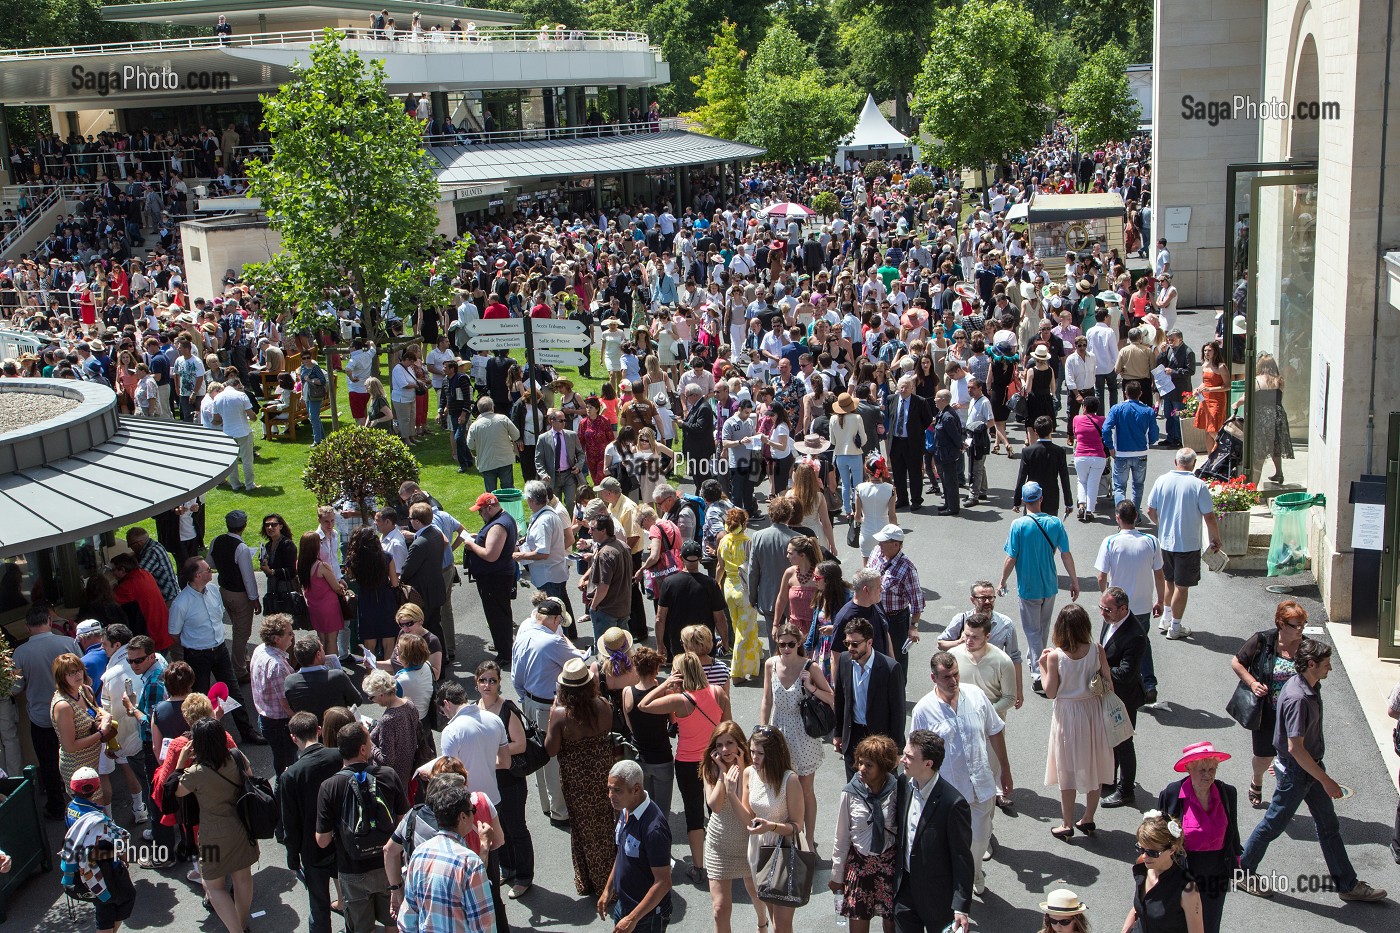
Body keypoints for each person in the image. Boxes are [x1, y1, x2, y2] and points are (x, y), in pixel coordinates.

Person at [1237, 638, 1388, 902]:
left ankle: (1347, 884)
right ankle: (1243, 871)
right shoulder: (1298, 698)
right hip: (1300, 772)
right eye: (1326, 664)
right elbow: (1296, 748)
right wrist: (1326, 780)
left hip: (1307, 768)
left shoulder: (1308, 685)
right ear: (1310, 664)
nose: (1330, 668)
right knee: (1273, 824)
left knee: (1328, 825)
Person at [910, 652, 1010, 894]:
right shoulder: (923, 710)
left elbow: (995, 730)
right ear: (934, 677)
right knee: (952, 844)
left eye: (955, 674)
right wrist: (919, 790)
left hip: (982, 785)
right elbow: (916, 753)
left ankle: (973, 872)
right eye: (946, 677)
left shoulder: (976, 696)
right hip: (950, 793)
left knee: (979, 839)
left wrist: (1005, 770)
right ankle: (961, 880)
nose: (953, 681)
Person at [637, 652, 731, 880]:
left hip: (688, 763)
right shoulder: (718, 693)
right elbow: (728, 728)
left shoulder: (680, 700)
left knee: (694, 813)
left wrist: (665, 686)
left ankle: (698, 867)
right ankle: (724, 861)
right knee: (718, 810)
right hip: (714, 760)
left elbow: (643, 704)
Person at [314, 722, 411, 931]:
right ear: (363, 749)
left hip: (352, 870)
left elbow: (322, 841)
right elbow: (404, 821)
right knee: (393, 921)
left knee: (360, 928)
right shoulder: (387, 775)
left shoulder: (329, 786)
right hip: (388, 866)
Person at [174, 718, 260, 933]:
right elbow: (250, 778)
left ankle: (235, 931)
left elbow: (176, 791)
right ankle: (241, 924)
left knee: (213, 886)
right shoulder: (237, 757)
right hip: (242, 830)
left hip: (212, 837)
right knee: (243, 877)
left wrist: (180, 762)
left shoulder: (195, 773)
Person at [166, 557, 262, 742]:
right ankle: (205, 738)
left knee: (233, 692)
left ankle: (247, 732)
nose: (212, 572)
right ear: (198, 575)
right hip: (197, 655)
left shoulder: (213, 591)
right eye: (208, 570)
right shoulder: (181, 603)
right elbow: (174, 634)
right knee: (201, 698)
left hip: (219, 650)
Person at [543, 658, 616, 898]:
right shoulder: (604, 705)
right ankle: (611, 878)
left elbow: (551, 749)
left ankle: (591, 880)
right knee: (605, 826)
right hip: (603, 774)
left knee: (583, 828)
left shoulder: (561, 715)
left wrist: (553, 713)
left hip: (576, 781)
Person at [998, 482, 1079, 694]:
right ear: (1041, 499)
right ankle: (1038, 658)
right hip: (1050, 586)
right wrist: (1074, 580)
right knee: (1041, 628)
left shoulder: (1018, 525)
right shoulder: (1054, 523)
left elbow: (1011, 557)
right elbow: (1066, 554)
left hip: (1028, 587)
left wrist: (1002, 581)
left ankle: (1037, 673)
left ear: (1024, 501)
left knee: (1033, 632)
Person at [758, 621, 833, 848]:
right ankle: (786, 834)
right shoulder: (771, 664)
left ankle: (808, 840)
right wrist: (763, 730)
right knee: (779, 786)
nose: (787, 648)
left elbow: (831, 698)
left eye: (791, 644)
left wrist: (810, 687)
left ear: (799, 643)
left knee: (805, 790)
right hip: (778, 732)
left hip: (803, 735)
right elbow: (767, 700)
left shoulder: (811, 668)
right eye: (782, 644)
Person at [1156, 741, 1243, 933]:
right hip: (1183, 869)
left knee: (1210, 924)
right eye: (1202, 770)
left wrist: (1236, 863)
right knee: (1181, 923)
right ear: (1189, 768)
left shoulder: (1227, 793)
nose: (1208, 774)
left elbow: (1232, 831)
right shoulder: (1172, 793)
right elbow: (1159, 835)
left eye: (1212, 769)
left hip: (1216, 872)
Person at [893, 730, 973, 933]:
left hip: (938, 899)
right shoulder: (904, 784)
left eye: (910, 757)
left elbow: (962, 857)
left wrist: (960, 907)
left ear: (928, 764)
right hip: (905, 892)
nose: (903, 760)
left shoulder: (953, 804)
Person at [1230, 600, 1305, 810]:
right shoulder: (1263, 640)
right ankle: (1257, 778)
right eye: (1295, 625)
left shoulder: (1306, 646)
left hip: (1294, 713)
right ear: (1281, 624)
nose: (1300, 629)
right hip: (1267, 711)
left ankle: (1283, 798)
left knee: (1294, 755)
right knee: (1264, 756)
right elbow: (1237, 662)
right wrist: (1253, 683)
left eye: (1303, 624)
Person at [398, 777, 499, 933]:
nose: (474, 814)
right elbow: (484, 926)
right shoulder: (470, 863)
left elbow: (408, 917)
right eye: (473, 811)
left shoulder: (420, 853)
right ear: (462, 817)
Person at [1146, 449, 1222, 641]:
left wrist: (1161, 525)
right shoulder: (1198, 485)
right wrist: (1216, 537)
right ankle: (1175, 627)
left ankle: (1166, 618)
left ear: (1175, 461)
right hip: (1188, 544)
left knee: (1169, 581)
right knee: (1182, 586)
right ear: (1194, 463)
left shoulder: (1162, 480)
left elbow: (1150, 509)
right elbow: (1209, 516)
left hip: (1166, 542)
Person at [11, 607, 80, 819]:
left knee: (48, 764)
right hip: (71, 712)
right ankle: (82, 801)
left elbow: (15, 688)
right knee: (76, 758)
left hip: (41, 717)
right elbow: (82, 674)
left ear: (27, 627)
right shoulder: (68, 643)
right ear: (49, 622)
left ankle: (57, 806)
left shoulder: (20, 653)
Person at [1096, 500, 1166, 705]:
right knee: (1141, 643)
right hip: (1143, 605)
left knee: (1110, 644)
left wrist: (1105, 600)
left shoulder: (1110, 542)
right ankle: (1149, 685)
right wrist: (1160, 600)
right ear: (1136, 517)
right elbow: (1159, 574)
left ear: (1118, 518)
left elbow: (1101, 576)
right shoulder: (1151, 541)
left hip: (1116, 607)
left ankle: (1112, 683)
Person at [280, 711, 344, 933]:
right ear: (318, 730)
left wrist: (292, 856)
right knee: (352, 896)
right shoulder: (338, 756)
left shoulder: (291, 775)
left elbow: (290, 822)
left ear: (292, 737)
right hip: (342, 841)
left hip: (312, 849)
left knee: (319, 906)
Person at [831, 733, 899, 933]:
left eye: (869, 765)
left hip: (889, 866)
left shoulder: (897, 790)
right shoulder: (850, 793)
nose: (861, 769)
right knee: (858, 925)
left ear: (883, 766)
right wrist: (837, 875)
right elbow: (841, 837)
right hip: (860, 867)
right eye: (860, 763)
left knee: (891, 924)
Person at [699, 720, 762, 933]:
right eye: (718, 745)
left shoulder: (752, 770)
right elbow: (715, 806)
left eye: (729, 743)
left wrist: (742, 769)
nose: (724, 749)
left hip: (748, 844)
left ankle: (762, 923)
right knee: (719, 909)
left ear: (739, 745)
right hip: (719, 845)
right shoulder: (710, 769)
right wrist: (722, 775)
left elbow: (748, 813)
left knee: (756, 894)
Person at [599, 759, 674, 933]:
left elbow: (663, 882)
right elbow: (622, 853)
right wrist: (608, 890)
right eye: (609, 789)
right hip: (624, 906)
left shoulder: (654, 829)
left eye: (617, 790)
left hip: (646, 917)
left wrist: (632, 919)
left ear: (637, 789)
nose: (611, 796)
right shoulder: (626, 808)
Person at [834, 617, 905, 781]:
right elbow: (840, 700)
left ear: (869, 642)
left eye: (855, 644)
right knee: (855, 786)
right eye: (847, 643)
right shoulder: (844, 661)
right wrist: (838, 733)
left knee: (882, 785)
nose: (850, 648)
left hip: (880, 737)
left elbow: (898, 711)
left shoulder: (890, 668)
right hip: (853, 735)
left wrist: (897, 749)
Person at [1098, 588, 1147, 809]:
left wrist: (1100, 670)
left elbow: (1126, 673)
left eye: (1108, 610)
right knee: (1111, 740)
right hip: (1109, 694)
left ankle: (1126, 791)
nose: (1103, 614)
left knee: (1124, 742)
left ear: (1123, 609)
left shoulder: (1135, 635)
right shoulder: (1110, 620)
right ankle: (1110, 778)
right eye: (1101, 608)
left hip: (1125, 698)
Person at [1120, 812, 1206, 933]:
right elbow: (1139, 907)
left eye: (1152, 853)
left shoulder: (1187, 889)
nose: (1144, 856)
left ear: (1172, 849)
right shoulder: (1143, 865)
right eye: (1140, 849)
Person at [464, 493, 519, 666]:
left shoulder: (498, 525)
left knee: (497, 615)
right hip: (497, 576)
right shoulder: (503, 518)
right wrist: (478, 538)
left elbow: (491, 555)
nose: (480, 515)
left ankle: (505, 653)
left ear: (489, 508)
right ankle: (503, 645)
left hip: (495, 578)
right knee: (499, 613)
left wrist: (471, 544)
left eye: (481, 511)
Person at [208, 509, 260, 678]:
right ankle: (238, 670)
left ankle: (243, 659)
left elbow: (210, 563)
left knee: (238, 629)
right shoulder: (242, 548)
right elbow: (248, 577)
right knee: (242, 632)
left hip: (224, 591)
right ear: (244, 526)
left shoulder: (217, 540)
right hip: (240, 595)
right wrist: (254, 599)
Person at [866, 523, 924, 674]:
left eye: (883, 542)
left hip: (895, 620)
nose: (879, 545)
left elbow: (917, 602)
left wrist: (913, 627)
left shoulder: (907, 568)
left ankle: (897, 693)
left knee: (896, 659)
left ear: (896, 544)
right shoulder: (877, 552)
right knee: (873, 654)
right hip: (873, 613)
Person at [656, 542, 727, 661]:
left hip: (680, 644)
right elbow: (719, 618)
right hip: (705, 644)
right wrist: (725, 640)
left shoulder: (668, 583)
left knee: (682, 677)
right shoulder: (711, 584)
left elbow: (660, 618)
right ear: (700, 558)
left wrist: (660, 644)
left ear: (680, 557)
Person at [747, 495, 803, 645]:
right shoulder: (799, 538)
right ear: (789, 515)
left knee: (774, 642)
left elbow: (753, 570)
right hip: (793, 598)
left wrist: (752, 596)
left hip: (768, 596)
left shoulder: (758, 536)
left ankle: (774, 667)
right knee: (794, 642)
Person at [714, 508, 762, 682]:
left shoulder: (724, 541)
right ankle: (737, 671)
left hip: (729, 588)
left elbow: (720, 567)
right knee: (744, 630)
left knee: (737, 627)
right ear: (744, 523)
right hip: (745, 590)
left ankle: (756, 652)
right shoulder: (749, 542)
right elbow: (755, 570)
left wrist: (716, 584)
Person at [249, 615, 297, 777]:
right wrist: (301, 721)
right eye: (289, 634)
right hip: (280, 724)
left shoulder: (260, 649)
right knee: (286, 769)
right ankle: (282, 800)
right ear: (276, 638)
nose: (293, 636)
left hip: (265, 717)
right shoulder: (277, 666)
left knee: (282, 762)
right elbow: (286, 703)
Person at [1102, 381, 1159, 506]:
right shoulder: (1148, 411)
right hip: (1141, 453)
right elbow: (1154, 434)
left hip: (1121, 454)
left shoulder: (1117, 409)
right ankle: (1135, 514)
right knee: (1138, 486)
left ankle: (1121, 515)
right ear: (1141, 394)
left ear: (1125, 393)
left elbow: (1105, 429)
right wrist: (1149, 441)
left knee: (1119, 488)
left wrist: (1110, 447)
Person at [886, 374, 933, 510]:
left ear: (912, 388)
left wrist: (915, 431)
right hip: (896, 442)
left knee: (915, 473)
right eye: (901, 386)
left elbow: (927, 420)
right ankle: (902, 499)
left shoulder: (920, 401)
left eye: (906, 387)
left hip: (912, 442)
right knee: (898, 473)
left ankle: (916, 500)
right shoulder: (891, 399)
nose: (903, 389)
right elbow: (891, 417)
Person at [299, 530, 347, 658]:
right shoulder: (321, 566)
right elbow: (336, 587)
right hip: (329, 607)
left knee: (321, 638)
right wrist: (342, 586)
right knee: (332, 639)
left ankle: (322, 665)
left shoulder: (300, 564)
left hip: (314, 606)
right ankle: (333, 668)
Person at [1014, 416, 1073, 517]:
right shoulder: (1059, 451)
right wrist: (1068, 503)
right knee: (1049, 528)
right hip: (1051, 497)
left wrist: (1017, 501)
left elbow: (1021, 477)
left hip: (1032, 496)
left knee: (1031, 526)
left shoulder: (1028, 451)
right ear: (1051, 430)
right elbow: (1064, 478)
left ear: (1035, 432)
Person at [535, 408, 585, 512]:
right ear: (551, 421)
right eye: (561, 421)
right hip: (553, 477)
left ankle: (570, 526)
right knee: (555, 505)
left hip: (569, 475)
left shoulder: (571, 435)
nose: (564, 423)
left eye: (565, 420)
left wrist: (579, 466)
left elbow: (581, 454)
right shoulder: (543, 438)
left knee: (571, 502)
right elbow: (538, 459)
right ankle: (558, 526)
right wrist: (543, 474)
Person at [854, 454, 897, 559]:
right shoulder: (890, 489)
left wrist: (863, 519)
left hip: (867, 534)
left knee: (867, 571)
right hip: (884, 534)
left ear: (867, 471)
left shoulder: (860, 488)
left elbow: (857, 517)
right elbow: (892, 516)